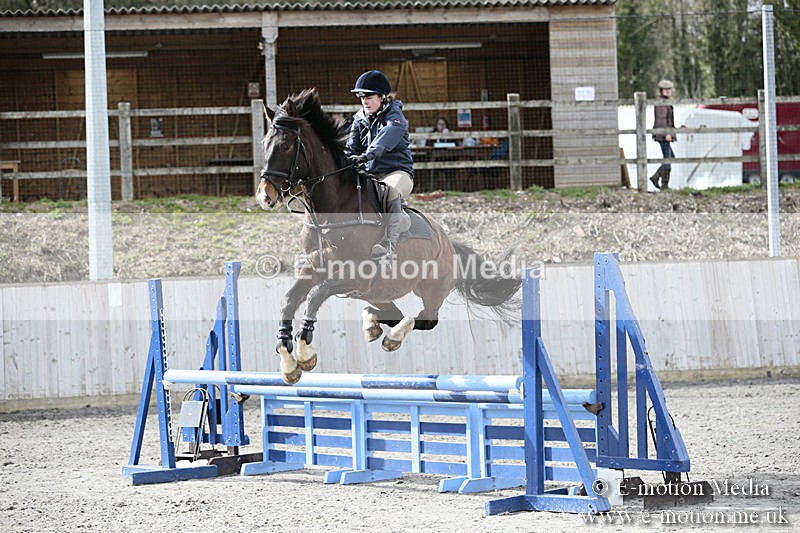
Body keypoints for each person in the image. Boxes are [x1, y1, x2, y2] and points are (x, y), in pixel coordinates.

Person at [346, 70, 413, 261]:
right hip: (370, 173)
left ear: (382, 98)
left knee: (390, 190)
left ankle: (390, 246)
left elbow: (382, 143)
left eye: (368, 97)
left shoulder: (395, 118)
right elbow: (351, 147)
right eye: (361, 97)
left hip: (397, 172)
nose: (364, 101)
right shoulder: (360, 118)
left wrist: (365, 156)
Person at [650, 79, 676, 190]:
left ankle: (657, 177)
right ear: (661, 91)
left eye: (669, 89)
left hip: (664, 133)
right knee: (668, 158)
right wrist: (667, 134)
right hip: (663, 134)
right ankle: (663, 184)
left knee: (670, 157)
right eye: (665, 89)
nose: (668, 91)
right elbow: (661, 119)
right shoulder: (661, 102)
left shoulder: (665, 102)